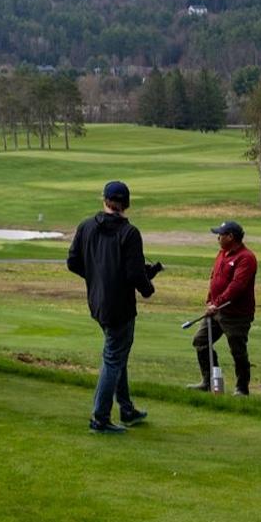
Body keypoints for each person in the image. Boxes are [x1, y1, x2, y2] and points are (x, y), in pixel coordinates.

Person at [67, 181, 158, 434]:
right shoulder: (129, 233)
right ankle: (100, 418)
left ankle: (126, 408)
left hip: (97, 302)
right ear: (126, 205)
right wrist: (148, 288)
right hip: (120, 306)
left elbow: (73, 262)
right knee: (113, 358)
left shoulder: (86, 226)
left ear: (104, 199)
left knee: (118, 355)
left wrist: (96, 276)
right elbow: (134, 274)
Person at [189, 220, 258, 395]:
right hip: (216, 310)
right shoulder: (222, 253)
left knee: (237, 350)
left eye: (220, 234)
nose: (218, 237)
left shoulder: (246, 258)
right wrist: (210, 301)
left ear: (231, 237)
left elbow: (237, 286)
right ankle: (210, 382)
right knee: (200, 342)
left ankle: (242, 389)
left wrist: (217, 303)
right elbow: (215, 279)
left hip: (236, 314)